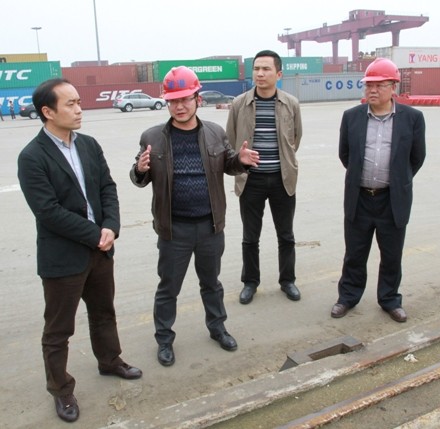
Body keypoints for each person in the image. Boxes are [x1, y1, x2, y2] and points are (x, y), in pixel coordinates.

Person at [17, 78, 142, 423]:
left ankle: (110, 360)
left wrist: (111, 226)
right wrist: (95, 234)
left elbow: (107, 188)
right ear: (48, 111)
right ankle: (60, 389)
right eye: (70, 103)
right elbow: (48, 211)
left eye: (78, 102)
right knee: (58, 330)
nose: (78, 109)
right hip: (63, 257)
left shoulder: (88, 144)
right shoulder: (32, 156)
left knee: (104, 313)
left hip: (100, 250)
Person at [129, 66, 259, 367]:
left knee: (211, 283)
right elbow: (139, 177)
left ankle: (217, 328)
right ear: (167, 102)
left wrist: (240, 161)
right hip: (174, 230)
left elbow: (228, 163)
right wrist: (140, 169)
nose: (180, 106)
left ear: (197, 99)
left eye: (186, 99)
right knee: (168, 288)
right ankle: (164, 340)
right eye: (173, 101)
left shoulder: (214, 132)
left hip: (210, 227)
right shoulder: (152, 137)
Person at [331, 58, 426, 323]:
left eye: (379, 85)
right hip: (360, 198)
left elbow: (417, 158)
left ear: (393, 86)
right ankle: (347, 297)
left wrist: (396, 180)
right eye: (368, 85)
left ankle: (390, 300)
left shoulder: (412, 118)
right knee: (355, 254)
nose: (372, 90)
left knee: (392, 255)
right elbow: (345, 155)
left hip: (392, 200)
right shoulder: (351, 117)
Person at [226, 50, 302, 305]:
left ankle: (287, 280)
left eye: (266, 69)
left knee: (286, 235)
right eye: (256, 68)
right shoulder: (239, 104)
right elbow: (231, 140)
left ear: (278, 74)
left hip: (282, 179)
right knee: (250, 237)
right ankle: (250, 282)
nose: (260, 73)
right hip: (251, 180)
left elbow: (295, 139)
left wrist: (283, 161)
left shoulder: (291, 103)